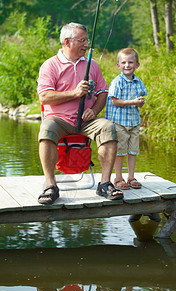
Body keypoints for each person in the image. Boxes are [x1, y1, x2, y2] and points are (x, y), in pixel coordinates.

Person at [37, 22, 123, 204]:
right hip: (59, 120)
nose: (86, 45)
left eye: (87, 40)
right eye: (81, 40)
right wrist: (75, 93)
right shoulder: (50, 65)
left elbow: (102, 93)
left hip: (87, 121)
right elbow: (44, 96)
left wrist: (94, 110)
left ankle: (105, 183)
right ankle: (50, 185)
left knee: (108, 128)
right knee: (46, 129)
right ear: (67, 42)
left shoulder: (92, 65)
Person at [105, 48, 147, 190]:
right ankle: (118, 178)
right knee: (120, 151)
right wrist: (134, 102)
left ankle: (131, 177)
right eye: (123, 62)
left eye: (130, 62)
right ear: (118, 65)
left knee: (133, 151)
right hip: (119, 122)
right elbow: (115, 102)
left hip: (133, 122)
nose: (127, 65)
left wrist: (140, 103)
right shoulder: (117, 82)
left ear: (137, 65)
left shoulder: (138, 82)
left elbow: (140, 101)